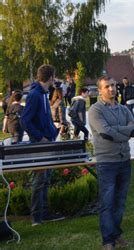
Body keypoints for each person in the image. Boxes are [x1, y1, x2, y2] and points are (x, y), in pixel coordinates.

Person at [88, 76, 134, 249]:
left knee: (120, 201)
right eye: (107, 86)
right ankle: (108, 240)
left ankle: (116, 233)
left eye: (113, 86)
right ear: (100, 90)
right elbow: (105, 133)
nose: (111, 89)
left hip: (124, 160)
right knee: (107, 202)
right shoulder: (95, 110)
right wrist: (123, 131)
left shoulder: (124, 109)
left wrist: (116, 130)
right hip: (107, 162)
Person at [21, 64, 64, 226]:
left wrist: (54, 131)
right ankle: (36, 217)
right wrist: (40, 138)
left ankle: (45, 213)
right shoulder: (35, 95)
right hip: (40, 145)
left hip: (47, 142)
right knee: (39, 181)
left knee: (45, 179)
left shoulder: (43, 94)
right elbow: (25, 120)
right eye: (55, 76)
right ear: (51, 77)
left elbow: (43, 118)